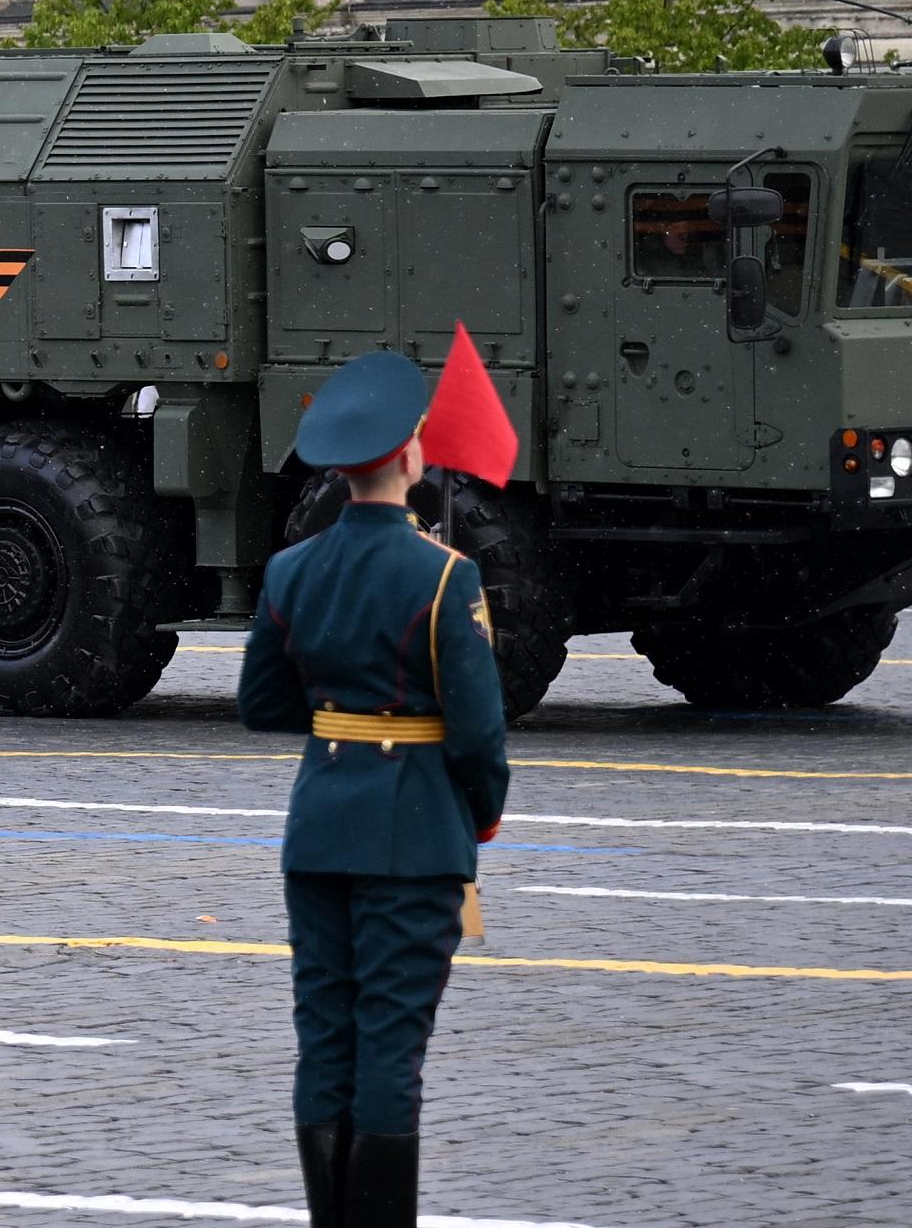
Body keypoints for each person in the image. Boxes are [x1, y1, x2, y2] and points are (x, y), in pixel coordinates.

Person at [239, 348, 509, 1228]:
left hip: (318, 828)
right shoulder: (444, 575)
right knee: (392, 1044)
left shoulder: (290, 571)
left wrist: (343, 723)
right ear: (409, 458)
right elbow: (477, 732)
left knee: (326, 1036)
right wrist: (485, 811)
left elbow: (263, 703)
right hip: (415, 833)